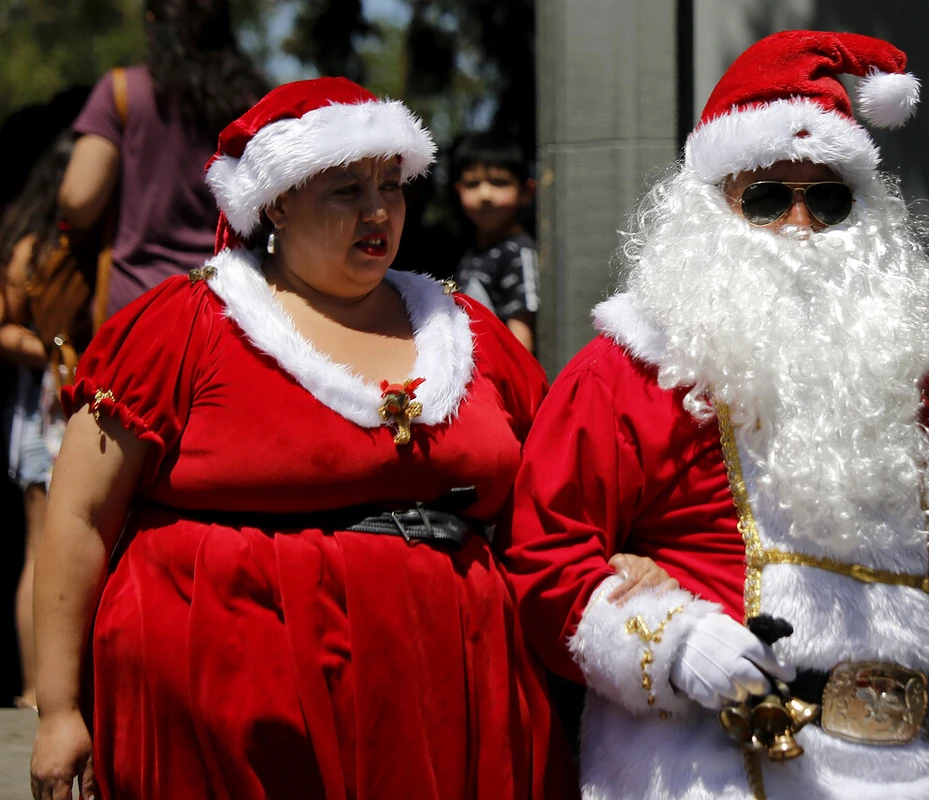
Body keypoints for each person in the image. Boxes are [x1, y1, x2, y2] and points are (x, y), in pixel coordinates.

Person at [504, 30, 929, 800]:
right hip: (708, 773)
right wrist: (673, 644)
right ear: (712, 204)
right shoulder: (627, 372)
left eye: (830, 198)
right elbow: (545, 562)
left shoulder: (922, 386)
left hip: (912, 773)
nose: (801, 226)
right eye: (769, 197)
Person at [30, 76, 595, 800]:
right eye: (345, 189)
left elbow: (554, 503)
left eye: (390, 185)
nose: (377, 209)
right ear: (278, 202)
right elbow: (78, 515)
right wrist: (59, 710)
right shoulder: (184, 326)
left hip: (444, 702)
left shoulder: (468, 331)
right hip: (227, 715)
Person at [57, 0, 266, 320]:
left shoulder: (123, 92)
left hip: (136, 310)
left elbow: (79, 200)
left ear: (153, 20)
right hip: (231, 309)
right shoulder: (257, 106)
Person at [0, 132, 77, 711]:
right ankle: (34, 690)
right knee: (42, 547)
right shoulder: (35, 249)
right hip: (49, 402)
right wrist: (55, 352)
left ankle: (45, 687)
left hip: (60, 399)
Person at [451, 132, 540, 352]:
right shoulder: (474, 250)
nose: (485, 194)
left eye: (499, 182)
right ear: (459, 190)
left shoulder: (519, 252)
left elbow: (521, 340)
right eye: (473, 184)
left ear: (527, 191)